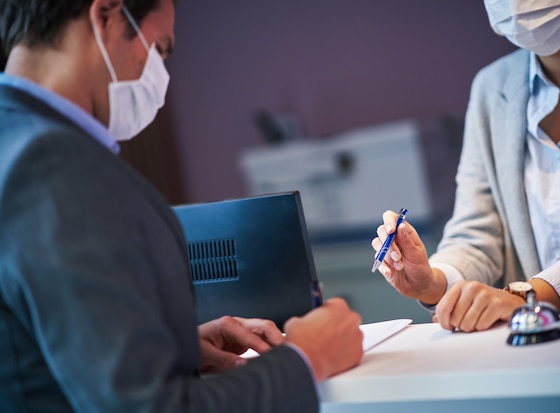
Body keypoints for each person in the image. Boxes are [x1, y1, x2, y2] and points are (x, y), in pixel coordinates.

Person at [0, 1, 363, 412]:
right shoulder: (54, 165)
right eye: (159, 48)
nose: (160, 73)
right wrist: (308, 357)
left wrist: (173, 346)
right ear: (106, 17)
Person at [372, 0, 560, 333]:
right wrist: (431, 281)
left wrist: (529, 297)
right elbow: (479, 230)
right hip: (535, 349)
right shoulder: (491, 88)